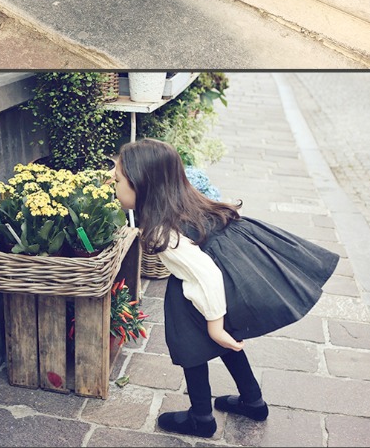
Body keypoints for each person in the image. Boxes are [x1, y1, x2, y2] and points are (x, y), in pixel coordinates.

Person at [114, 138, 339, 439]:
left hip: (211, 287)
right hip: (227, 280)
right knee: (226, 341)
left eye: (117, 181)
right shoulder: (186, 203)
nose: (112, 185)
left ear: (141, 186)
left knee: (191, 343)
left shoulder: (164, 232)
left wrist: (215, 325)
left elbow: (205, 276)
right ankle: (253, 401)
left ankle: (201, 418)